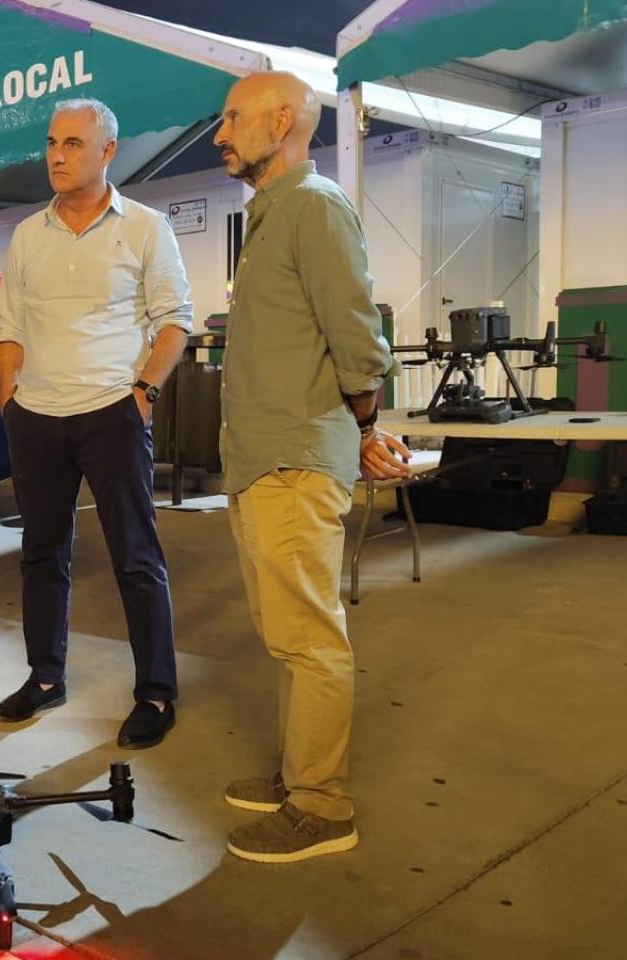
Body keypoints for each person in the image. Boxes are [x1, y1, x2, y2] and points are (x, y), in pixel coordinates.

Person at [210, 71, 410, 864]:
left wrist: (363, 422)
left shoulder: (315, 206)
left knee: (311, 638)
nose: (220, 133)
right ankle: (301, 775)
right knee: (288, 635)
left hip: (293, 457)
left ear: (282, 119)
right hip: (263, 458)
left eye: (233, 118)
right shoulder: (271, 215)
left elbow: (355, 333)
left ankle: (322, 806)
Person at [0, 98, 191, 749]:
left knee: (136, 556)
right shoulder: (27, 234)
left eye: (73, 144)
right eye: (52, 142)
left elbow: (173, 322)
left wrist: (143, 392)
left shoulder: (145, 227)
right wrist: (9, 402)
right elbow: (10, 328)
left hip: (112, 411)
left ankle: (156, 693)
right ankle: (45, 679)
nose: (56, 155)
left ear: (108, 151)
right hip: (37, 418)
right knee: (41, 556)